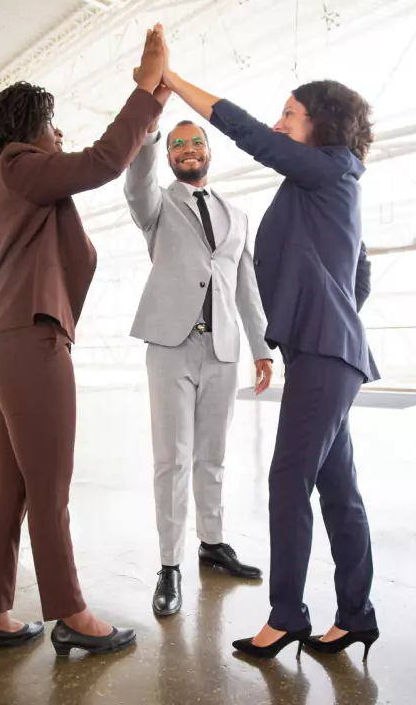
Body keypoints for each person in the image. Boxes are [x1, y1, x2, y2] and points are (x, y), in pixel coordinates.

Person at [154, 23, 380, 659]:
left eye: (291, 113)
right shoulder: (331, 182)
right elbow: (359, 268)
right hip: (328, 350)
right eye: (281, 112)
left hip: (325, 353)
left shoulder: (328, 168)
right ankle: (357, 613)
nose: (280, 123)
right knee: (338, 489)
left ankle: (287, 615)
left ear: (321, 124)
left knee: (288, 480)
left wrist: (173, 83)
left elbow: (248, 135)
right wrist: (333, 314)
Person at [0, 30, 166, 660]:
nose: (60, 133)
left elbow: (95, 161)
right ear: (27, 126)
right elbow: (103, 161)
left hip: (7, 337)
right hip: (29, 338)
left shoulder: (18, 179)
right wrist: (145, 91)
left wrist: (151, 98)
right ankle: (72, 614)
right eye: (53, 123)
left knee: (14, 485)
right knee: (48, 487)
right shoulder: (21, 164)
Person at [123, 77, 273, 617]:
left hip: (225, 351)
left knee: (213, 457)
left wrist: (262, 348)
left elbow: (247, 286)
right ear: (170, 157)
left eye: (196, 143)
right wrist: (149, 130)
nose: (188, 150)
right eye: (177, 146)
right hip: (170, 346)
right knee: (174, 459)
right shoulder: (157, 205)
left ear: (210, 152)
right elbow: (137, 183)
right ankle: (169, 565)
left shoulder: (238, 216)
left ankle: (212, 543)